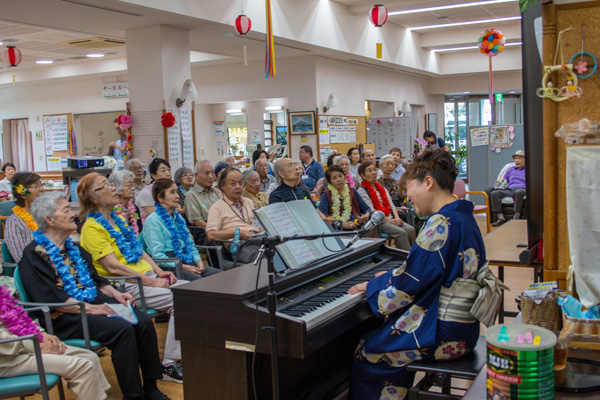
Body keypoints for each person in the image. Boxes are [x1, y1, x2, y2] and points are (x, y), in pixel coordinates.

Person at [347, 149, 488, 399]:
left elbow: (407, 286)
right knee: (379, 335)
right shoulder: (462, 217)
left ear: (428, 183)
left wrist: (371, 287)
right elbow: (421, 271)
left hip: (443, 332)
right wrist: (386, 277)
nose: (407, 196)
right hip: (463, 328)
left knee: (370, 351)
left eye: (409, 188)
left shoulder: (440, 223)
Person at [19, 192, 170, 400]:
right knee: (122, 329)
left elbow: (97, 282)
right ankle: (133, 395)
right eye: (66, 210)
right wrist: (94, 309)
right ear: (49, 220)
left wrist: (116, 294)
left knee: (142, 321)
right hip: (64, 317)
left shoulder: (75, 249)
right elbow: (51, 299)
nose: (73, 214)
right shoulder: (33, 256)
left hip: (92, 304)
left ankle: (151, 387)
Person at [77, 173, 186, 383]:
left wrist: (158, 271)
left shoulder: (117, 220)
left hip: (146, 277)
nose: (112, 189)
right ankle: (170, 364)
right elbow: (113, 267)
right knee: (181, 299)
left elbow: (139, 251)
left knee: (196, 292)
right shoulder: (91, 228)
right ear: (93, 197)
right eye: (105, 186)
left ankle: (189, 353)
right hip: (126, 284)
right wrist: (153, 281)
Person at [0, 284, 110, 400]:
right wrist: (38, 346)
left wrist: (42, 334)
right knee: (83, 366)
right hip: (8, 359)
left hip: (23, 346)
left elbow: (17, 318)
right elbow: (5, 341)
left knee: (90, 356)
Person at [140, 178, 221, 280]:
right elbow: (157, 256)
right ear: (160, 198)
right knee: (202, 283)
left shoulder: (178, 218)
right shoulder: (153, 221)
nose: (177, 196)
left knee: (222, 276)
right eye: (172, 193)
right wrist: (183, 267)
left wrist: (198, 261)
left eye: (177, 192)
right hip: (170, 265)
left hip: (187, 258)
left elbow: (190, 245)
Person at [206, 168, 263, 264]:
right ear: (223, 186)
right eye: (233, 184)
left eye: (240, 183)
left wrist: (262, 227)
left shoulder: (248, 202)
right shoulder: (217, 207)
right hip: (238, 243)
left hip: (257, 238)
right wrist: (237, 233)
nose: (238, 187)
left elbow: (255, 223)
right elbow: (211, 235)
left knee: (280, 249)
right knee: (261, 256)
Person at [357, 161, 416, 251]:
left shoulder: (381, 187)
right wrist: (391, 221)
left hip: (391, 218)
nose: (373, 172)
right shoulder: (362, 190)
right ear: (363, 175)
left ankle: (416, 253)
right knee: (401, 232)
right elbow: (372, 211)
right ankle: (407, 258)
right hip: (378, 222)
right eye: (369, 171)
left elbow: (391, 205)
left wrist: (397, 218)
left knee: (411, 229)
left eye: (374, 170)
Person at [5, 172, 45, 262]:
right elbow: (21, 258)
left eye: (41, 185)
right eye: (36, 186)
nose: (42, 189)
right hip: (35, 270)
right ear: (22, 195)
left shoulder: (44, 215)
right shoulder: (14, 223)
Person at [318, 165, 370, 231]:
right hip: (337, 229)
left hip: (355, 225)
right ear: (330, 182)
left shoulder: (351, 191)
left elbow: (366, 208)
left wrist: (366, 215)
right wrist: (342, 224)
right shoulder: (326, 195)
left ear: (345, 177)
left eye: (340, 176)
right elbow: (323, 215)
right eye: (334, 178)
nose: (339, 180)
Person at [184, 160, 222, 234]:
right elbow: (198, 222)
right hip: (206, 234)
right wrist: (218, 231)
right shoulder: (191, 195)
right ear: (197, 176)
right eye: (207, 173)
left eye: (212, 172)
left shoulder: (217, 192)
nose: (211, 176)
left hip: (223, 228)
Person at [491, 150, 527, 227]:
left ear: (524, 159)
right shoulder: (510, 169)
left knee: (518, 193)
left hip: (522, 189)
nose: (517, 160)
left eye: (520, 158)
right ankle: (500, 218)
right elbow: (504, 181)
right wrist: (499, 185)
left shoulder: (528, 169)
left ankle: (516, 217)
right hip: (510, 190)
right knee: (494, 193)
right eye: (516, 158)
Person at [109, 170, 143, 235]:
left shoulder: (135, 209)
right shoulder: (111, 210)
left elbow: (140, 231)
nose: (133, 188)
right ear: (116, 187)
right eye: (129, 185)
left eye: (133, 184)